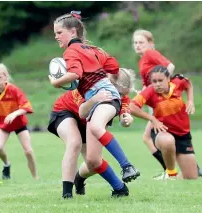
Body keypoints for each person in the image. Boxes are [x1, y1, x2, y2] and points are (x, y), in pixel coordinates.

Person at [49, 11, 139, 197]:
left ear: (73, 32)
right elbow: (113, 67)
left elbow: (75, 74)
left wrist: (56, 82)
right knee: (92, 160)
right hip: (90, 101)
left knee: (96, 128)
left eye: (59, 32)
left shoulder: (71, 51)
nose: (56, 36)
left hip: (102, 96)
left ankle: (127, 166)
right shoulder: (95, 50)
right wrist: (95, 66)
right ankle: (120, 189)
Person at [48, 68, 139, 198]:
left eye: (122, 95)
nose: (118, 97)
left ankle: (79, 178)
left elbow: (125, 115)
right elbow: (82, 112)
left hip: (88, 123)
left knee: (93, 162)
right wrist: (95, 99)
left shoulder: (121, 96)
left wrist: (127, 119)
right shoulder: (89, 87)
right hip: (67, 111)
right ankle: (67, 194)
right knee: (74, 143)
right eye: (118, 93)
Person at [133, 29, 202, 178]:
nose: (137, 45)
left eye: (141, 42)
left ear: (150, 44)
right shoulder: (143, 60)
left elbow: (169, 66)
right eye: (135, 42)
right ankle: (171, 170)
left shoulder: (150, 53)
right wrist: (148, 90)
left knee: (150, 137)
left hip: (163, 100)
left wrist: (166, 88)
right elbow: (150, 84)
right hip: (155, 99)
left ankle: (174, 169)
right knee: (149, 137)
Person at [129, 65, 199, 179]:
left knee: (191, 177)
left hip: (183, 134)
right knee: (167, 141)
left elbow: (188, 84)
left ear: (168, 79)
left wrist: (191, 100)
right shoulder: (150, 91)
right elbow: (132, 107)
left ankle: (170, 178)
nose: (157, 84)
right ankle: (171, 174)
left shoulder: (177, 83)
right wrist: (152, 119)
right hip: (162, 131)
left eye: (160, 80)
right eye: (154, 81)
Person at [0, 63, 38, 180]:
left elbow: (26, 106)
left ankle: (35, 178)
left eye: (0, 77)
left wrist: (14, 113)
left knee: (28, 151)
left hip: (19, 124)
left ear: (5, 77)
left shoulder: (14, 90)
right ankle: (7, 164)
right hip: (3, 124)